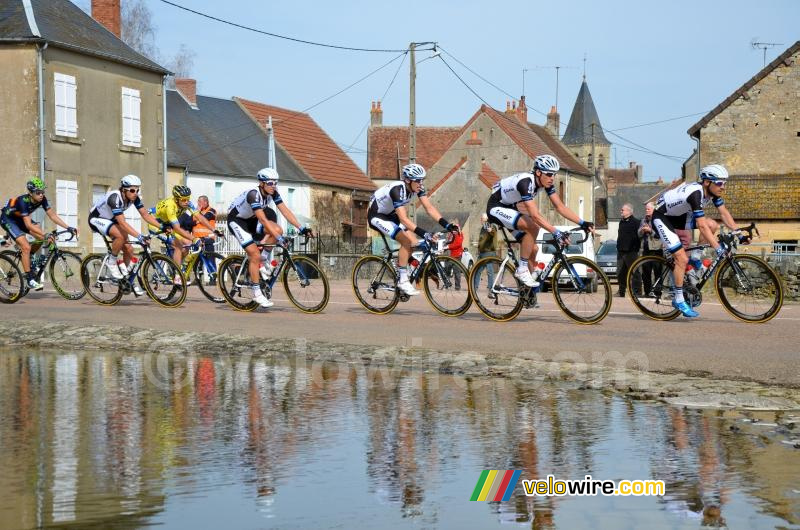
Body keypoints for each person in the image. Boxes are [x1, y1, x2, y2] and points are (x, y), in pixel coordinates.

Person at [485, 154, 594, 288]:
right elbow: (535, 215)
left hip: (510, 207)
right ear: (538, 172)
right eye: (549, 174)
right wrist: (556, 232)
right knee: (533, 227)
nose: (552, 178)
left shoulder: (545, 183)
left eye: (554, 174)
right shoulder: (525, 183)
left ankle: (529, 292)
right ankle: (522, 269)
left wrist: (583, 223)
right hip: (496, 207)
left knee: (534, 249)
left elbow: (560, 207)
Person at [650, 164, 745, 318]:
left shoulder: (712, 193)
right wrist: (717, 247)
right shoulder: (696, 194)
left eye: (724, 183)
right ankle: (679, 299)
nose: (723, 187)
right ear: (707, 182)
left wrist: (739, 233)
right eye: (720, 183)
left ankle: (695, 258)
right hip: (662, 217)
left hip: (680, 217)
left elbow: (724, 213)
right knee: (681, 258)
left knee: (712, 224)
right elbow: (701, 225)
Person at [367, 163, 458, 296]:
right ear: (408, 180)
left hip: (391, 215)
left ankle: (405, 267)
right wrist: (425, 233)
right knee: (406, 242)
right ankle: (403, 280)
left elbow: (429, 208)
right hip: (377, 216)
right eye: (418, 180)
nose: (421, 183)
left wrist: (447, 225)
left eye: (422, 180)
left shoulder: (416, 188)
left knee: (414, 242)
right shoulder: (398, 190)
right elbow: (404, 219)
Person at [227, 167, 312, 308]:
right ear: (262, 183)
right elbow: (264, 220)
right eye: (270, 183)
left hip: (251, 220)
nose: (274, 186)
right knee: (254, 253)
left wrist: (302, 228)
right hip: (237, 221)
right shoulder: (253, 195)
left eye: (275, 183)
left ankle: (264, 262)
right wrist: (279, 238)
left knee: (278, 229)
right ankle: (256, 292)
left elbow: (285, 211)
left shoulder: (273, 193)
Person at [88, 174, 162, 296]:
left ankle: (127, 280)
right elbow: (122, 222)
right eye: (132, 190)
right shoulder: (114, 198)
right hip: (96, 218)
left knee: (129, 249)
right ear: (124, 189)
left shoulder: (135, 198)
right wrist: (139, 236)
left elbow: (146, 215)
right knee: (120, 237)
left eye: (138, 190)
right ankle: (112, 261)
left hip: (112, 219)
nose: (135, 193)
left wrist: (162, 226)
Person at [1, 178, 78, 290]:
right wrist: (45, 234)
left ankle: (30, 256)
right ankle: (29, 280)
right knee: (26, 246)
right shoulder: (23, 201)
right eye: (38, 192)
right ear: (31, 193)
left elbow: (52, 215)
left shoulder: (42, 199)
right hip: (8, 219)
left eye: (42, 192)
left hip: (20, 218)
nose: (41, 194)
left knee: (44, 236)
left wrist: (69, 227)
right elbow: (28, 225)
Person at [151, 185, 218, 273]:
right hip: (155, 225)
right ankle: (177, 274)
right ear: (176, 199)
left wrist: (214, 230)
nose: (186, 202)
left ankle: (177, 266)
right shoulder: (170, 206)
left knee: (188, 243)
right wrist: (194, 239)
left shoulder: (187, 203)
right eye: (183, 200)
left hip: (168, 225)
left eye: (188, 198)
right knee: (178, 246)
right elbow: (177, 228)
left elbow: (200, 218)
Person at [638, 201, 663, 297]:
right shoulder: (643, 220)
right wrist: (642, 230)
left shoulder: (658, 220)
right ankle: (647, 292)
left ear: (653, 209)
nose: (646, 210)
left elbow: (660, 235)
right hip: (646, 249)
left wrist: (650, 231)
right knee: (645, 272)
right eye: (646, 209)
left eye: (648, 209)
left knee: (658, 272)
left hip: (657, 249)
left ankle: (658, 292)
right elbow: (638, 234)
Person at [616, 203, 641, 297]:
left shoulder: (636, 222)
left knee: (635, 272)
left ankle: (637, 292)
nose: (621, 211)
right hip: (621, 251)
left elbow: (639, 237)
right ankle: (621, 291)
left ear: (629, 211)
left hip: (631, 251)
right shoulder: (621, 222)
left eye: (623, 210)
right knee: (620, 272)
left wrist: (635, 247)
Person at [473, 213, 498, 298]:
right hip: (482, 252)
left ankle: (491, 290)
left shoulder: (491, 226)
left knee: (489, 271)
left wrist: (490, 230)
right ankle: (474, 287)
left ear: (486, 219)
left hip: (488, 252)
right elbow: (481, 240)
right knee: (477, 270)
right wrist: (478, 249)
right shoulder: (482, 228)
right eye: (481, 219)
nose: (480, 220)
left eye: (482, 219)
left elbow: (493, 232)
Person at [443, 221, 464, 290]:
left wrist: (448, 247)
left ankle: (457, 286)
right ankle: (446, 284)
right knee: (447, 270)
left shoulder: (459, 233)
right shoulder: (450, 234)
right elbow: (446, 242)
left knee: (457, 271)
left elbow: (457, 244)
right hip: (449, 255)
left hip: (457, 255)